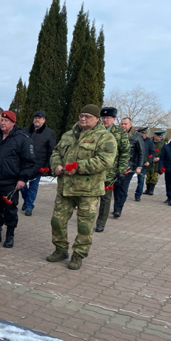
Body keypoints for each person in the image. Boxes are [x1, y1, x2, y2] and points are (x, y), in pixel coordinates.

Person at [47, 104, 116, 270]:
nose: (83, 119)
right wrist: (56, 165)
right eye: (81, 115)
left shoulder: (105, 138)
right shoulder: (68, 135)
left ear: (97, 119)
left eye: (87, 116)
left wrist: (78, 166)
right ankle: (61, 249)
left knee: (84, 226)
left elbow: (105, 160)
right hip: (66, 188)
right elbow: (56, 152)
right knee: (57, 221)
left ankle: (78, 255)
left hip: (88, 190)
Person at [0, 110, 35, 248]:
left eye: (6, 121)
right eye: (2, 120)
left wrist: (23, 179)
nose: (3, 123)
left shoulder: (22, 139)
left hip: (11, 182)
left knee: (10, 209)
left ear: (13, 123)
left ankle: (10, 235)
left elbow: (28, 162)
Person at [94, 108, 129, 232]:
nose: (105, 120)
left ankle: (101, 222)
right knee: (91, 197)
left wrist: (121, 170)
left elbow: (125, 153)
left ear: (114, 119)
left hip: (110, 172)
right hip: (94, 170)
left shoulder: (120, 133)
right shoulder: (95, 131)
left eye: (108, 118)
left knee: (105, 198)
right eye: (103, 118)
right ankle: (87, 218)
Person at [20, 110, 56, 216]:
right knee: (21, 185)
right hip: (24, 164)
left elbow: (51, 150)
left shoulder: (49, 133)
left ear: (44, 120)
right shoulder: (25, 131)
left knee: (33, 187)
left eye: (39, 118)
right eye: (35, 117)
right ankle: (27, 201)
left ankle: (29, 206)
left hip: (38, 165)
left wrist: (49, 166)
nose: (37, 119)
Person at [112, 116, 144, 218]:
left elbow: (141, 152)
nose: (123, 126)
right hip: (116, 166)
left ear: (130, 125)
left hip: (129, 166)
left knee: (123, 188)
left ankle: (118, 209)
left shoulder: (136, 136)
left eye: (125, 124)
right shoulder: (116, 134)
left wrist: (139, 166)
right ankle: (116, 206)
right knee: (115, 187)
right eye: (122, 124)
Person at [144, 130, 166, 195]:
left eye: (161, 137)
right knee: (148, 176)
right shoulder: (150, 142)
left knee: (154, 177)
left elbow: (164, 153)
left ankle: (151, 190)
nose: (160, 138)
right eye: (159, 136)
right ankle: (147, 189)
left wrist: (159, 158)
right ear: (155, 136)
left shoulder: (163, 144)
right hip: (149, 161)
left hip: (157, 163)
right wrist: (149, 158)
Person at [135, 127, 154, 201]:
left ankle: (138, 195)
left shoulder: (149, 141)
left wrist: (149, 161)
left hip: (143, 164)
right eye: (143, 133)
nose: (145, 134)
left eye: (146, 133)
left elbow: (152, 152)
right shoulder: (135, 139)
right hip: (133, 162)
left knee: (141, 180)